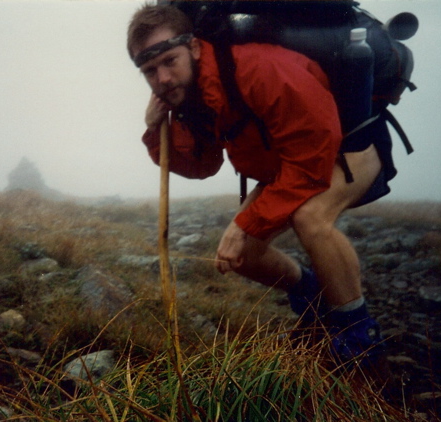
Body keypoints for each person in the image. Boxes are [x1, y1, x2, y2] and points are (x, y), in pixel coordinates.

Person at [127, 4, 395, 370]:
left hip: (350, 144)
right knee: (241, 253)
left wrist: (244, 223)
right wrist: (156, 132)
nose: (162, 79)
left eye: (168, 61)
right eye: (149, 71)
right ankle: (314, 298)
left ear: (192, 47)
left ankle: (359, 335)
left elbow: (314, 150)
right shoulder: (192, 94)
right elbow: (204, 164)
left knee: (310, 217)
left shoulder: (258, 68)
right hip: (289, 165)